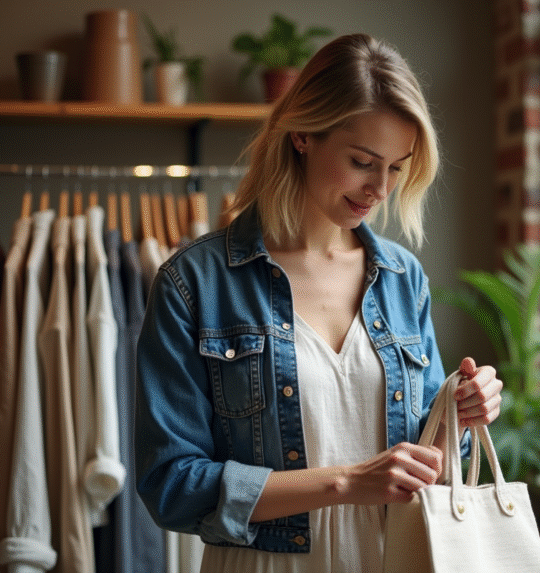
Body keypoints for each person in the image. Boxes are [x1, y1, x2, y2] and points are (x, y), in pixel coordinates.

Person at [134, 33, 503, 572]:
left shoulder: (403, 280)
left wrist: (460, 416)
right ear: (303, 134)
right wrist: (346, 482)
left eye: (397, 167)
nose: (380, 188)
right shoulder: (195, 283)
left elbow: (432, 466)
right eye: (362, 161)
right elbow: (170, 485)